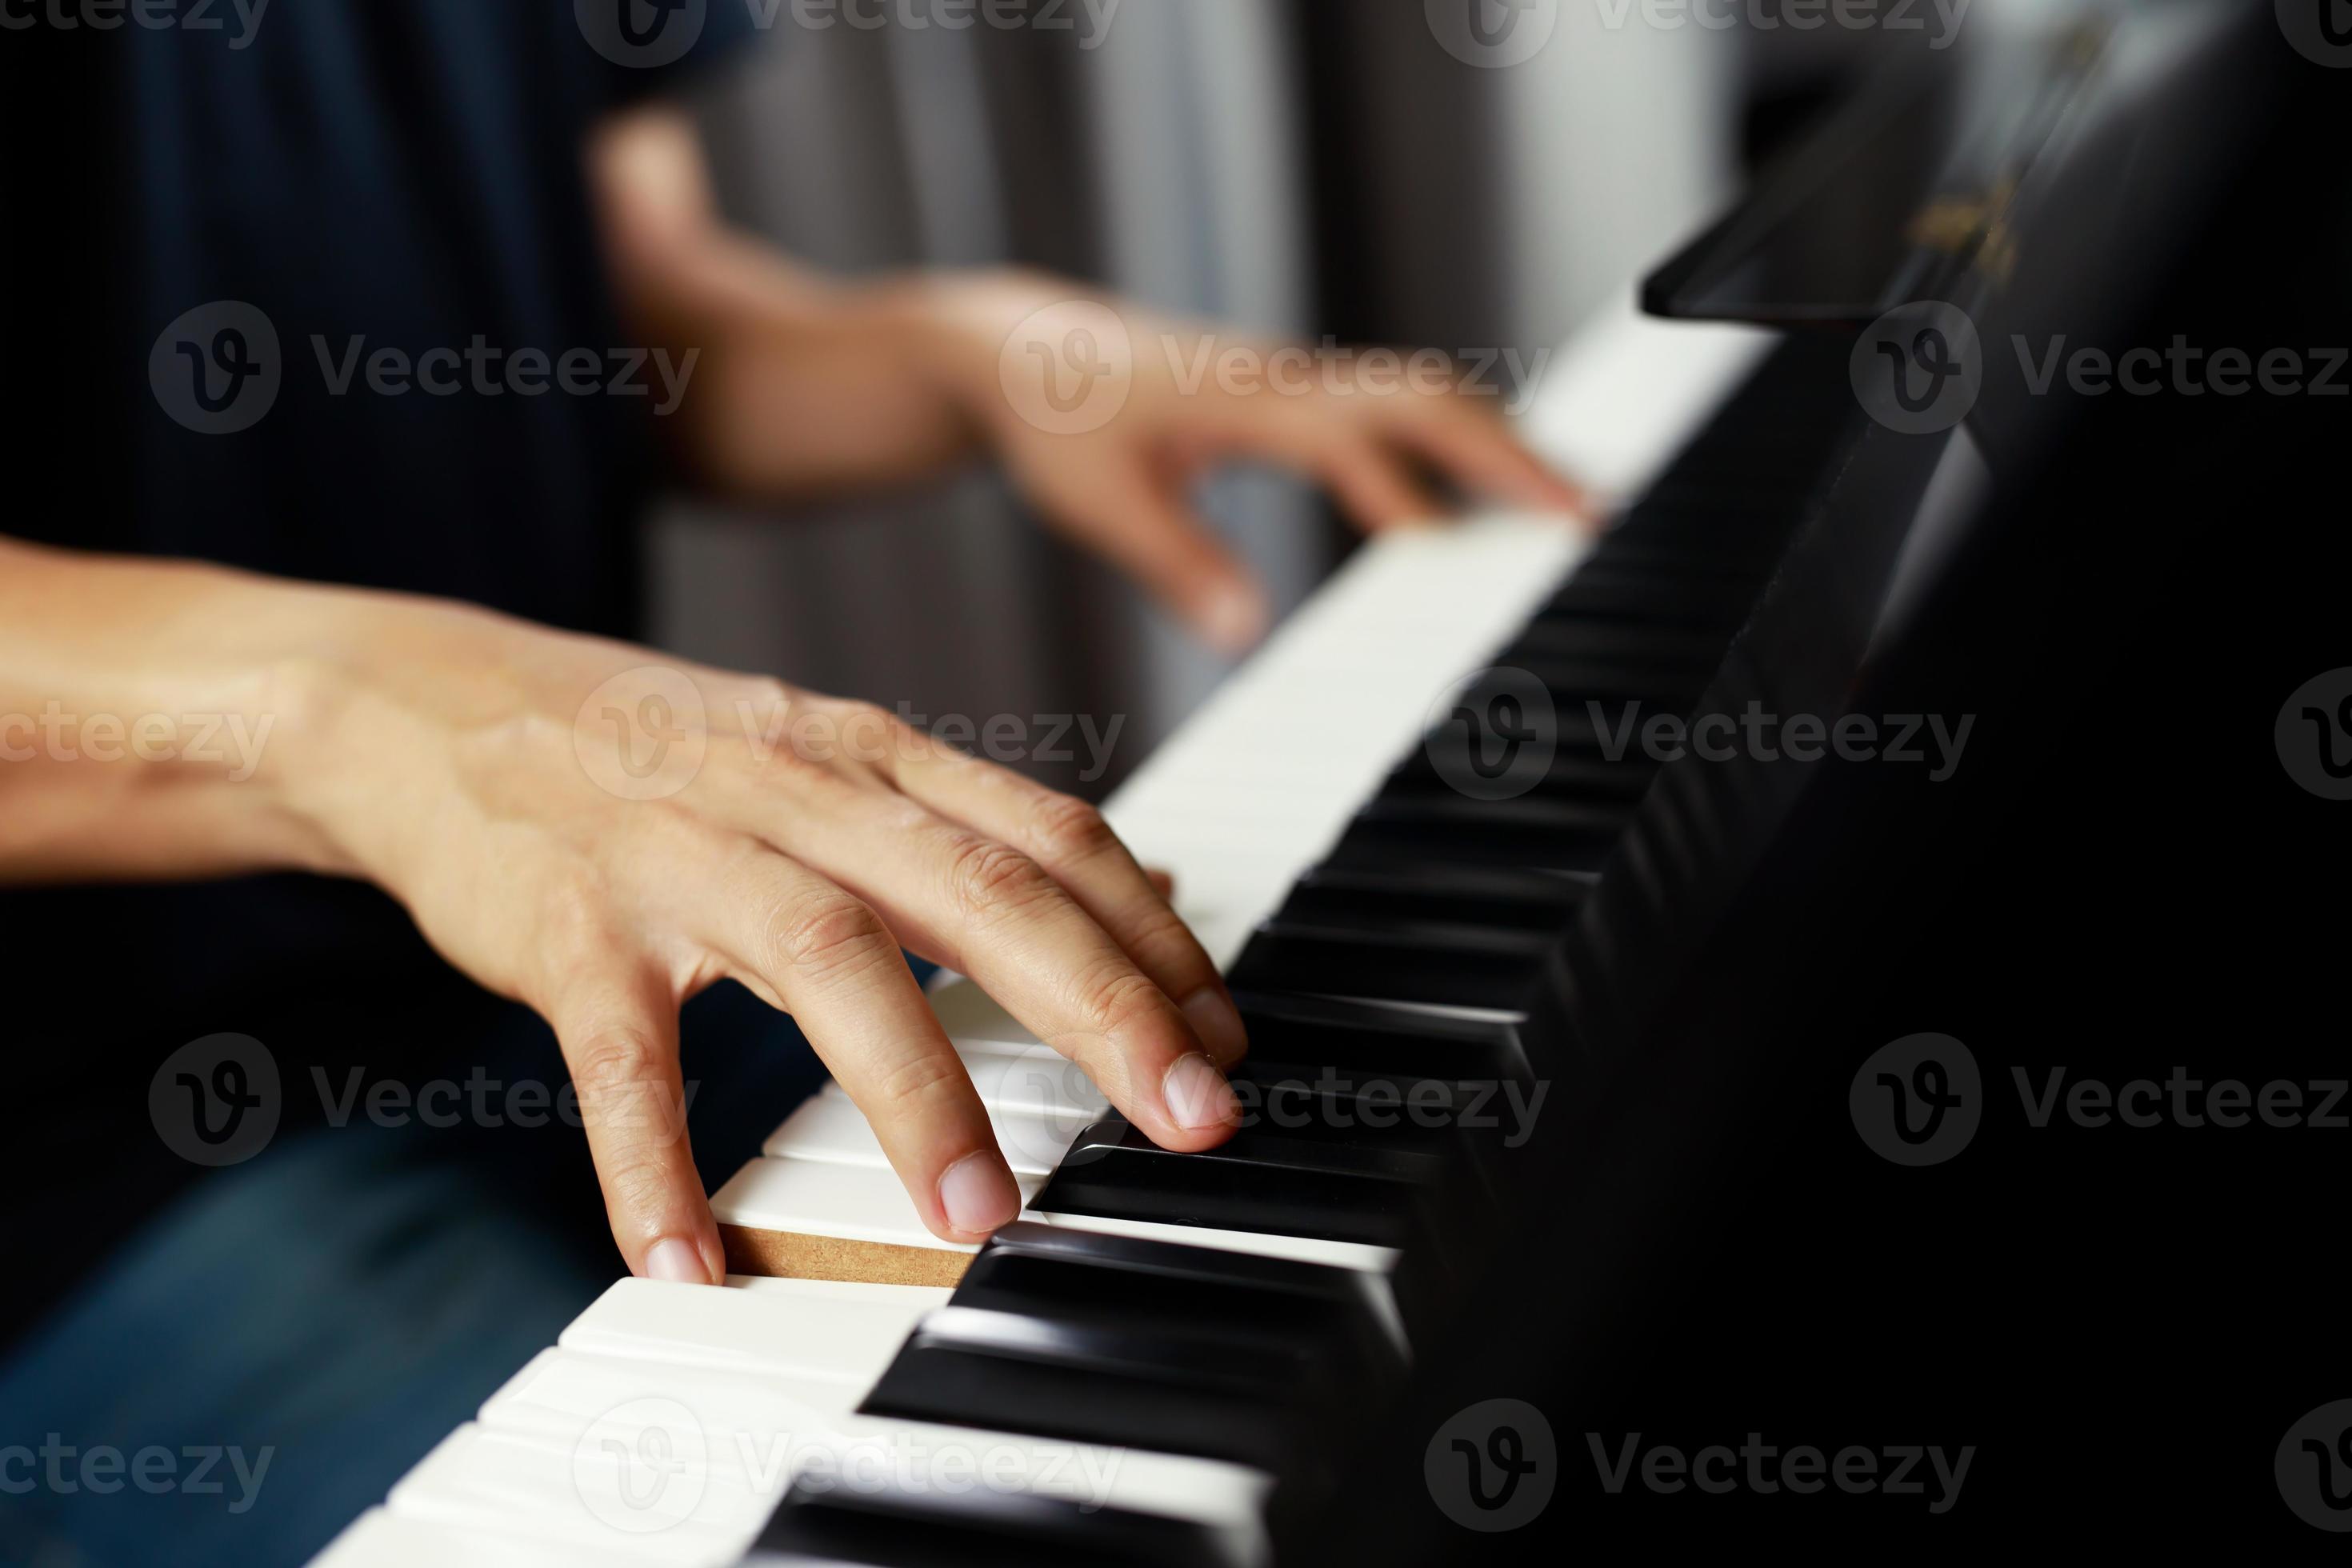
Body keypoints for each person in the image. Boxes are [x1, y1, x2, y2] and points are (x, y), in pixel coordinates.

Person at [0, 6, 1582, 1562]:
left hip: (624, 942)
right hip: (106, 1155)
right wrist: (373, 722)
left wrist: (970, 356)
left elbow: (635, 312)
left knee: (1332, 1213)